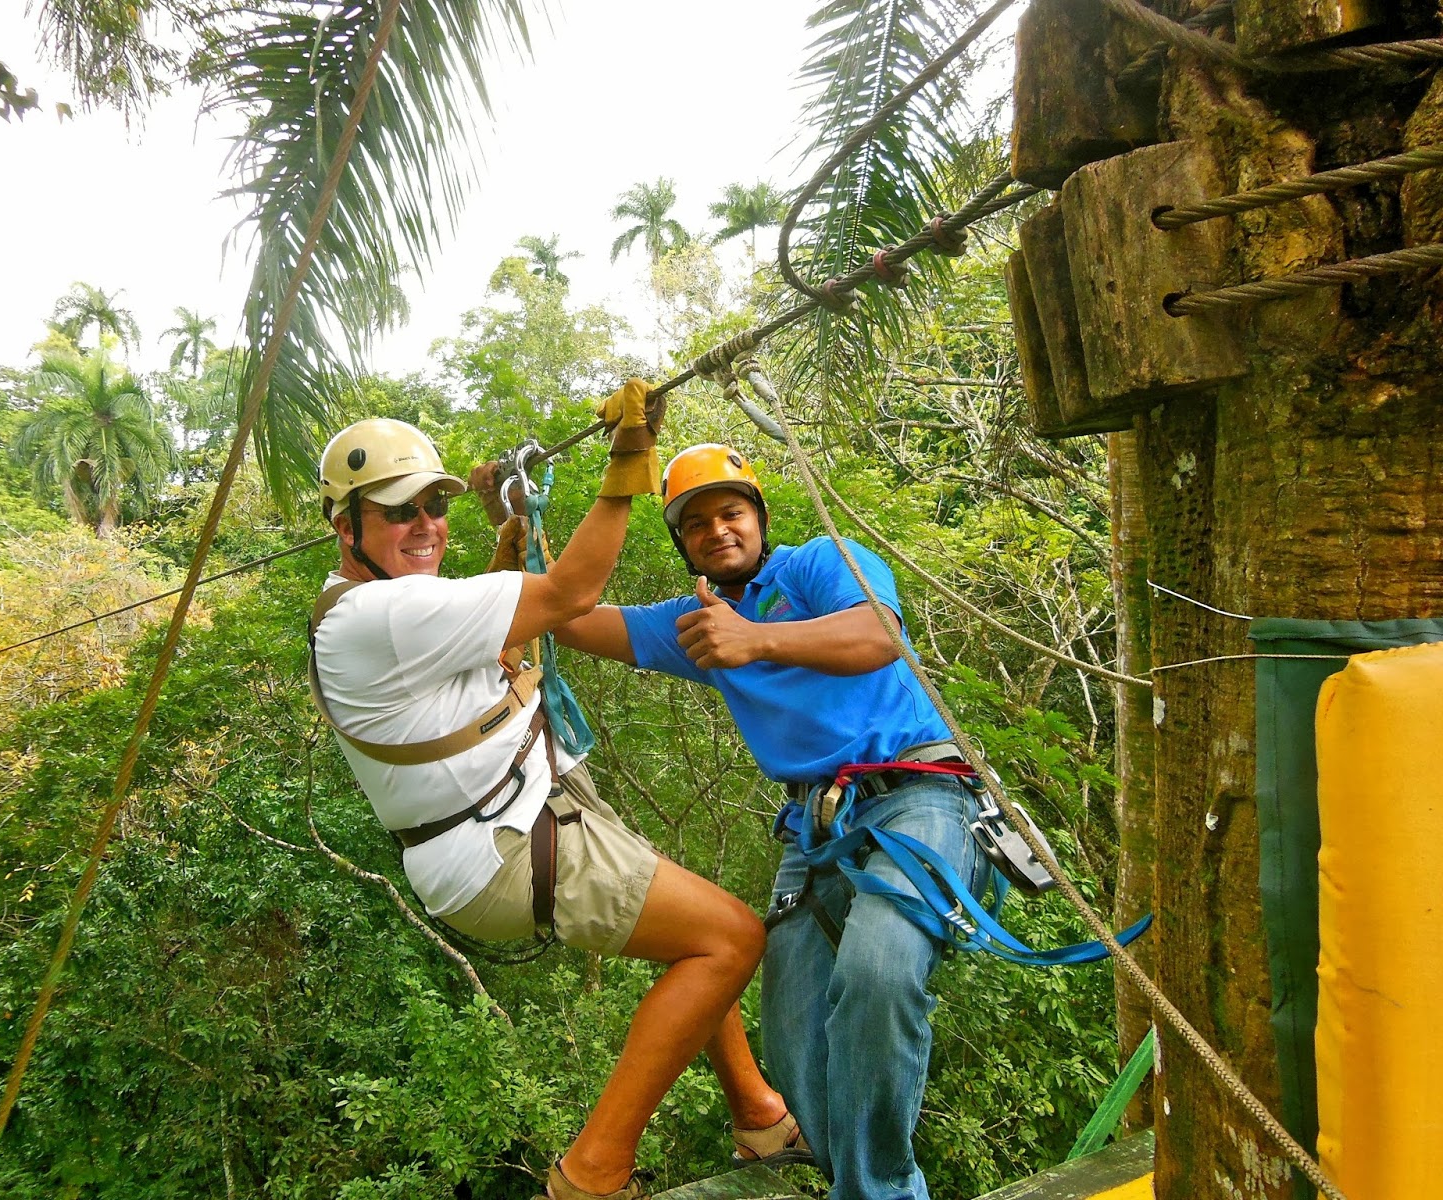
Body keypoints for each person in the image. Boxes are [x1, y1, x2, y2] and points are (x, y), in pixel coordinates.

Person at [308, 398, 799, 1200]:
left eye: (434, 504)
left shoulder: (368, 608)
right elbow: (571, 592)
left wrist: (507, 531)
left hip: (514, 820)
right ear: (345, 524)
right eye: (399, 513)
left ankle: (759, 1115)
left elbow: (492, 632)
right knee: (729, 941)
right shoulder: (382, 613)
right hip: (509, 838)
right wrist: (626, 466)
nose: (426, 524)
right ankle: (593, 1173)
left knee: (696, 931)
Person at [554, 443, 990, 1200]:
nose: (718, 531)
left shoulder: (819, 563)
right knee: (793, 1045)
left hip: (920, 790)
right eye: (696, 524)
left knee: (881, 971)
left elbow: (879, 634)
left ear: (758, 517)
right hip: (816, 827)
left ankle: (882, 1193)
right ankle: (857, 1180)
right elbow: (568, 618)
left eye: (731, 512)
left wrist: (753, 640)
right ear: (682, 543)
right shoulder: (696, 624)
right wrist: (543, 513)